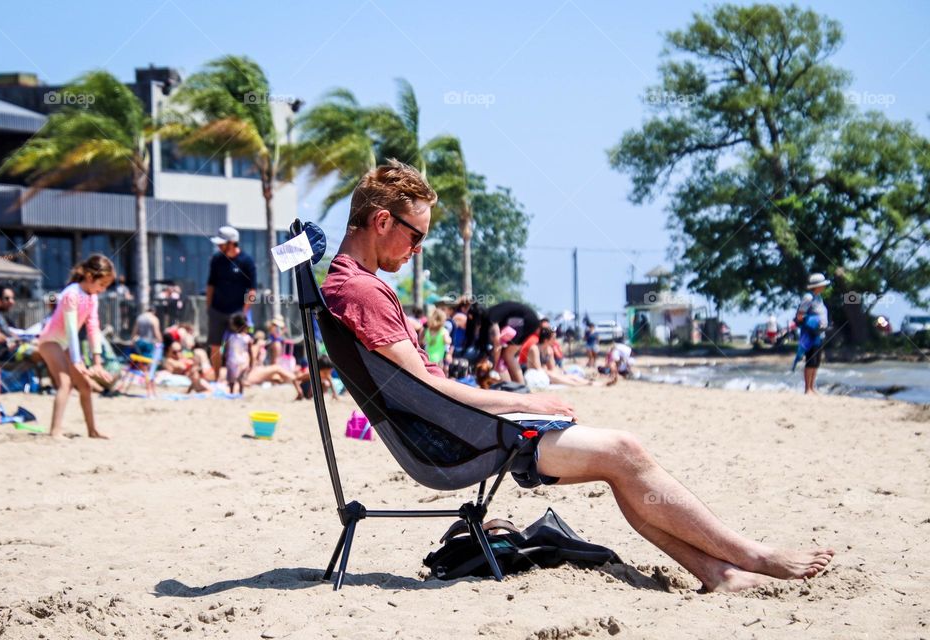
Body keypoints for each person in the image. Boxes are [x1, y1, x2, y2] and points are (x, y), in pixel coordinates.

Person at [320, 160, 833, 592]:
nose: (417, 250)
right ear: (383, 222)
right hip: (456, 444)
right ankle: (754, 556)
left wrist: (511, 398)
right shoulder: (362, 292)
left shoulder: (350, 286)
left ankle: (717, 571)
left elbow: (419, 388)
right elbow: (427, 388)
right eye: (416, 236)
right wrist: (522, 407)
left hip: (451, 433)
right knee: (625, 451)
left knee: (621, 459)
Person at [38, 255, 115, 439]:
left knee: (85, 386)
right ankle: (55, 431)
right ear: (89, 276)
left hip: (65, 344)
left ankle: (92, 430)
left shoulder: (92, 297)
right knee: (65, 383)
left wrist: (97, 362)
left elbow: (93, 327)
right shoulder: (71, 294)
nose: (102, 289)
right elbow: (72, 328)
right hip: (50, 341)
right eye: (102, 284)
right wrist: (76, 360)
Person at [206, 226, 257, 380]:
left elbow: (253, 291)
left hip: (237, 313)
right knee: (215, 346)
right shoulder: (216, 260)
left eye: (222, 243)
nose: (218, 246)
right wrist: (208, 307)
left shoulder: (246, 262)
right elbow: (210, 285)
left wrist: (244, 312)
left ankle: (241, 378)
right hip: (217, 310)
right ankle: (216, 378)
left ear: (232, 243)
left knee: (241, 345)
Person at [795, 273, 830, 395]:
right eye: (822, 285)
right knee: (811, 360)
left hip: (819, 334)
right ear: (817, 286)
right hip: (811, 333)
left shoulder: (818, 297)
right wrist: (813, 322)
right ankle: (807, 389)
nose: (824, 287)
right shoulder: (808, 297)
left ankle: (812, 387)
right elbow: (800, 315)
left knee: (817, 361)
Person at [224, 312, 253, 395]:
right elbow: (250, 352)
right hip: (243, 360)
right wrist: (251, 362)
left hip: (232, 359)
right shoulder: (247, 338)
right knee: (241, 379)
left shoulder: (230, 337)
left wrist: (225, 357)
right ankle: (240, 392)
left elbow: (226, 349)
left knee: (231, 379)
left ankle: (231, 392)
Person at [422, 308, 452, 374]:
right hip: (438, 360)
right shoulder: (443, 331)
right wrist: (449, 339)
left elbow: (424, 341)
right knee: (438, 375)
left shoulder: (428, 331)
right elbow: (448, 341)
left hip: (428, 358)